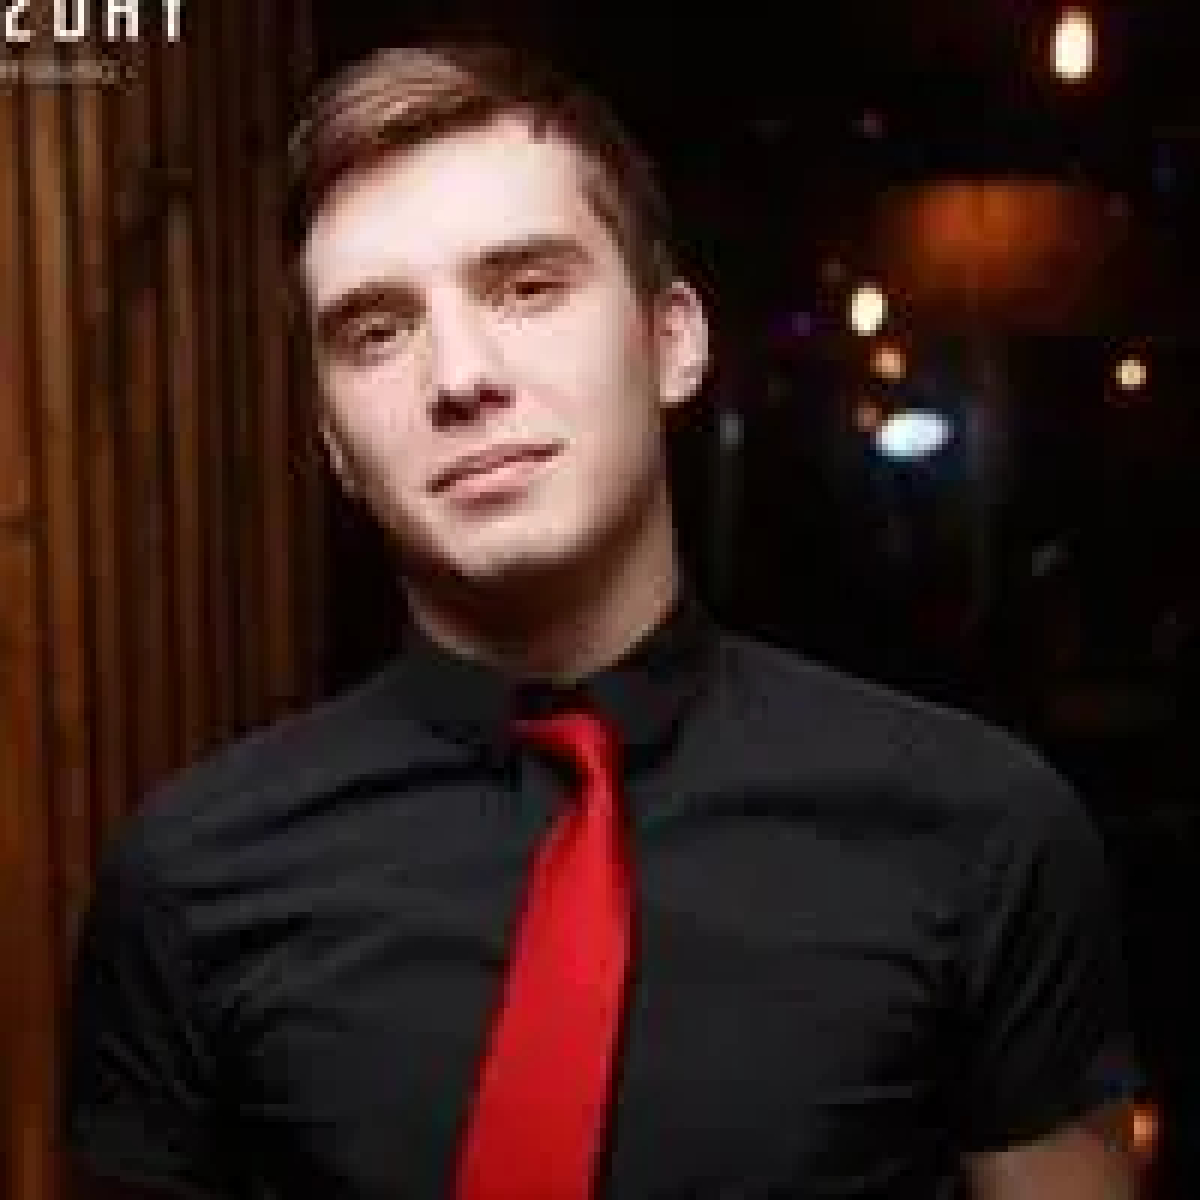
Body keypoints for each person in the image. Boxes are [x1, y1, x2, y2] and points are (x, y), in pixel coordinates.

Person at [62, 42, 1144, 1199]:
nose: (460, 377)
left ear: (672, 341)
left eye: (527, 287)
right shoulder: (191, 879)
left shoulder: (979, 832)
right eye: (376, 330)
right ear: (335, 441)